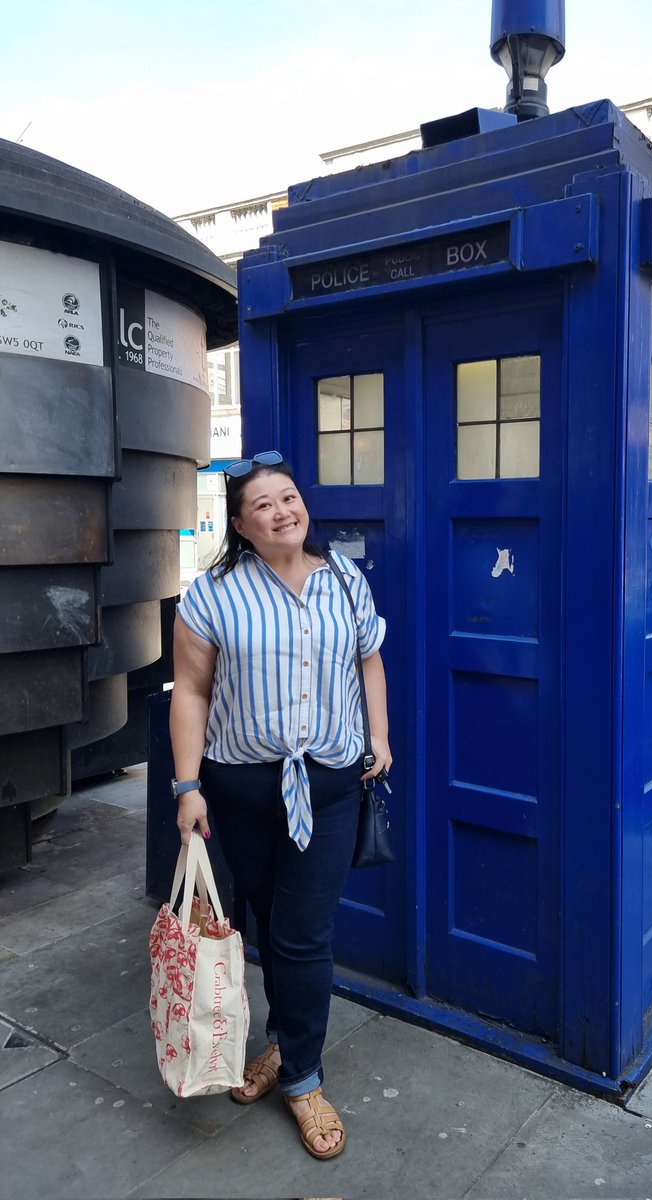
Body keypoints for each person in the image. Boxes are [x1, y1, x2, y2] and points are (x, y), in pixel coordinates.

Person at [170, 450, 391, 1161]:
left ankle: (301, 1076)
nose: (281, 511)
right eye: (262, 504)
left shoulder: (345, 581)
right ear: (239, 523)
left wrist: (379, 735)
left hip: (328, 784)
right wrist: (186, 787)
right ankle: (280, 1041)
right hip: (240, 787)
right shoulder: (213, 594)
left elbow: (369, 660)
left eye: (289, 497)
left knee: (302, 933)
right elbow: (192, 692)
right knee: (264, 917)